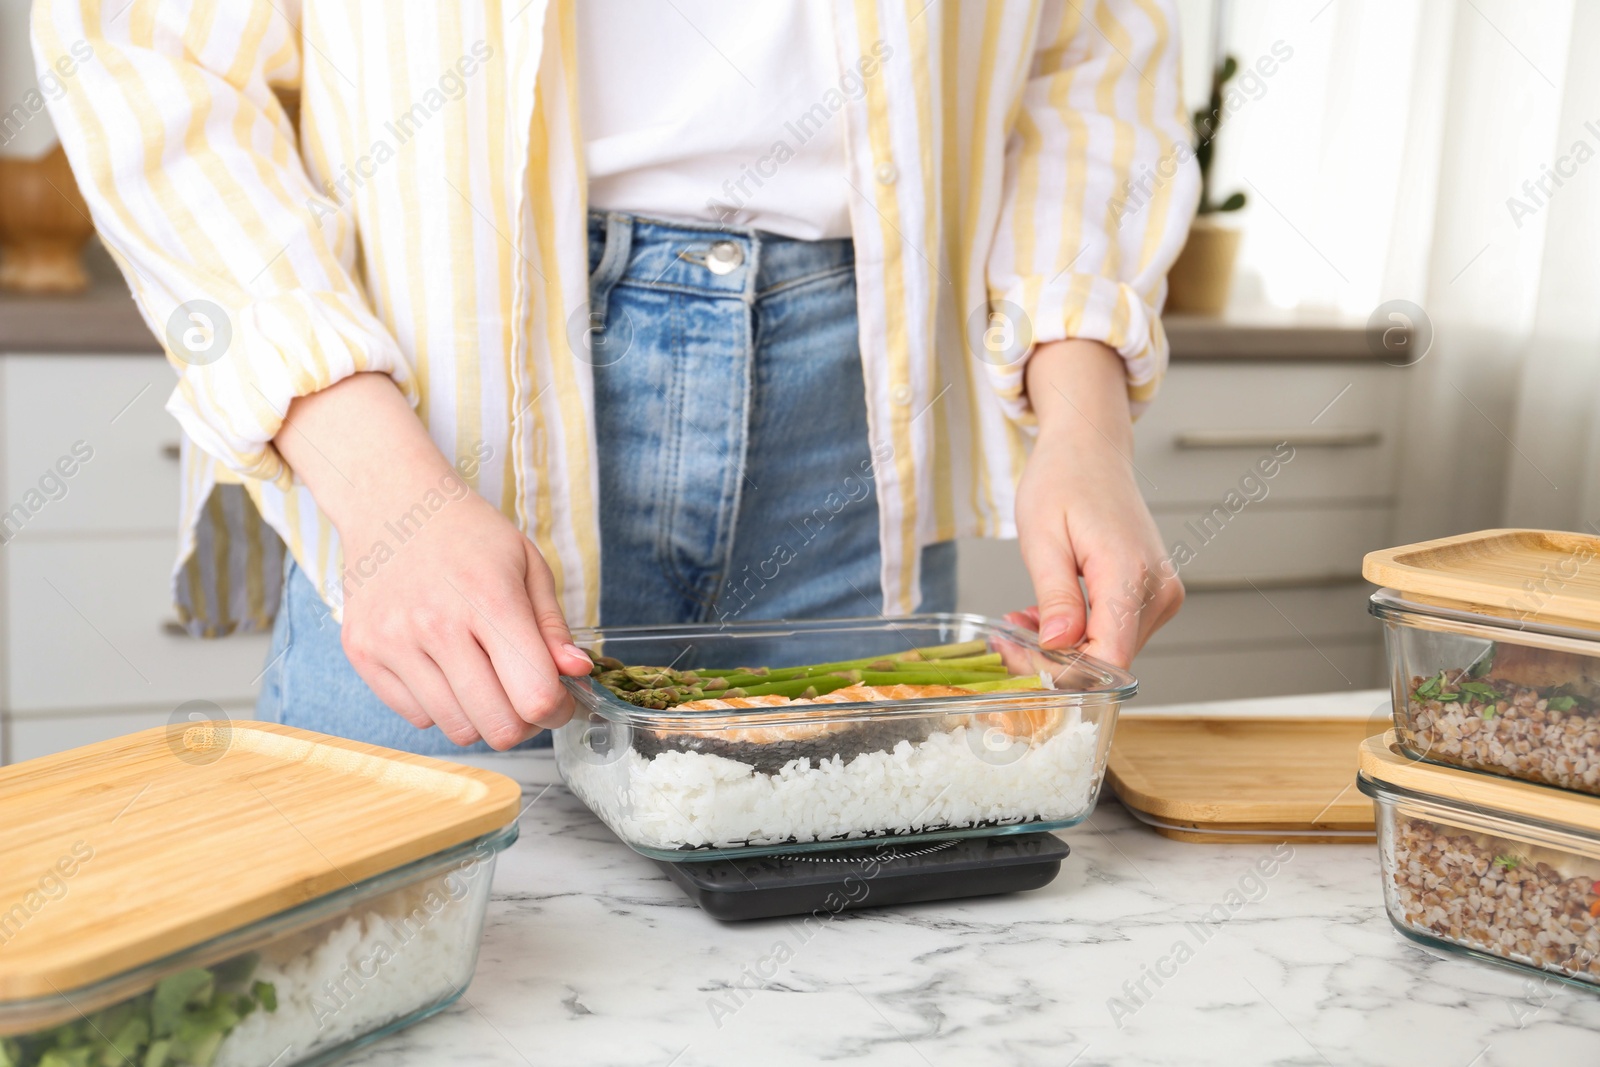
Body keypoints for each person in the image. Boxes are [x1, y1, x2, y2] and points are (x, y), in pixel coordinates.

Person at [37, 0, 1195, 754]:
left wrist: (1081, 411)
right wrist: (384, 489)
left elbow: (1091, 61)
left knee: (845, 1010)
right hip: (440, 446)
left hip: (858, 447)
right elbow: (145, 53)